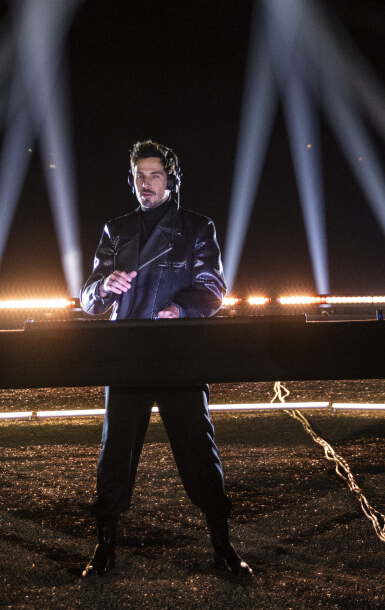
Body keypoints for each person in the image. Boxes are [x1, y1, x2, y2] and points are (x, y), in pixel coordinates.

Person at [80, 139, 252, 579]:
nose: (146, 183)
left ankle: (222, 545)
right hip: (126, 358)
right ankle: (105, 548)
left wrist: (182, 309)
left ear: (171, 181)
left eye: (155, 175)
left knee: (199, 453)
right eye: (139, 175)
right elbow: (89, 298)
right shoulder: (115, 230)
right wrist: (103, 288)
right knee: (114, 455)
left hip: (179, 356)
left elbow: (213, 287)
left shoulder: (198, 227)